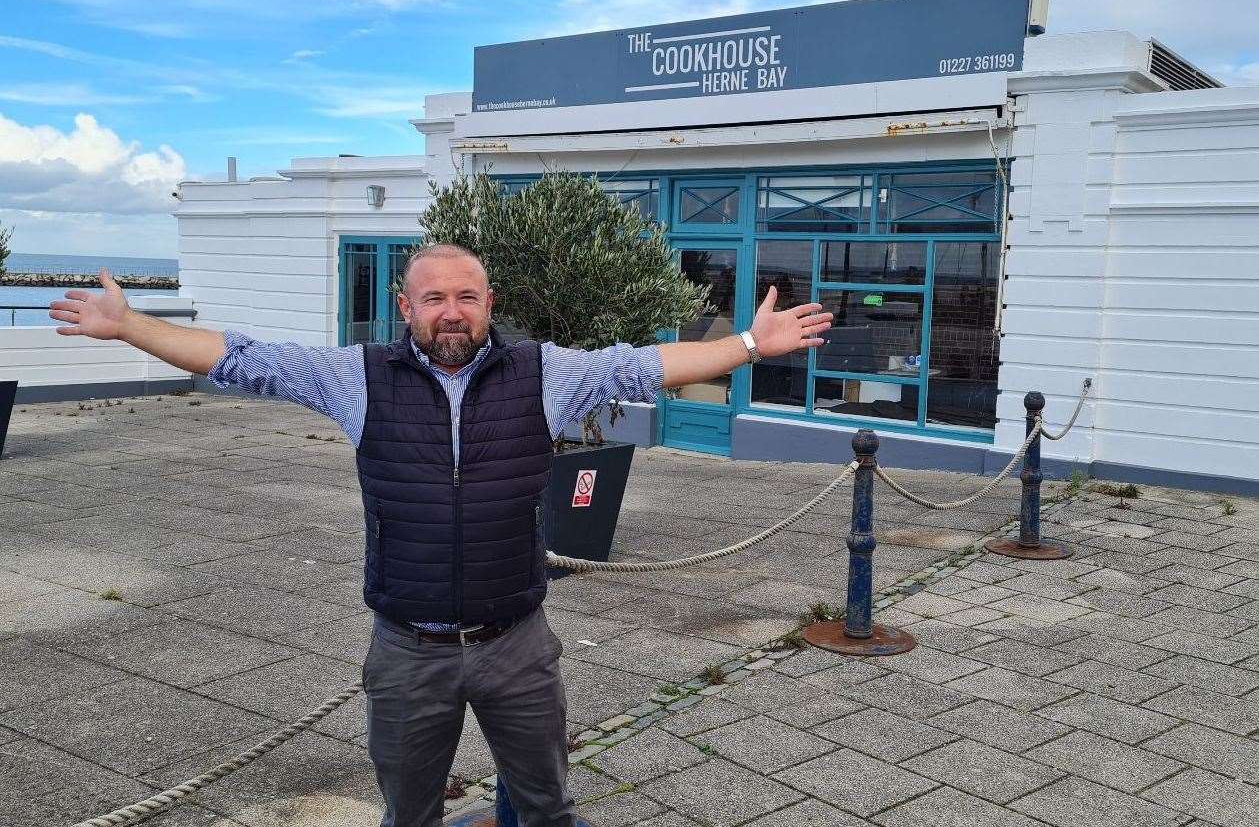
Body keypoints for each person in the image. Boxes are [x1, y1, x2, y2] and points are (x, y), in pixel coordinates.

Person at [49, 244, 832, 827]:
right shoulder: (357, 375)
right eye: (433, 298)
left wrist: (752, 344)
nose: (450, 310)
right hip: (407, 649)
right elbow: (245, 360)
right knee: (409, 815)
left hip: (517, 642)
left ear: (489, 302)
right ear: (406, 305)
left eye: (465, 295)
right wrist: (130, 326)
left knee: (545, 806)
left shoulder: (542, 374)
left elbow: (641, 366)